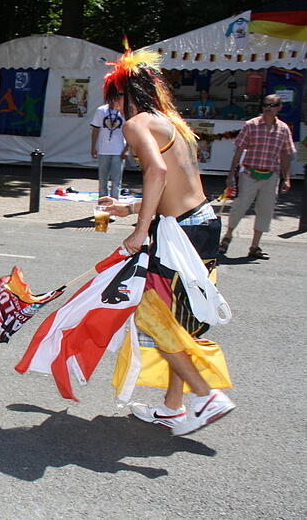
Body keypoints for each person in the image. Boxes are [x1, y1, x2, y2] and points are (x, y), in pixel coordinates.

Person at [98, 47, 234, 436]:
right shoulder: (172, 123)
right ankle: (173, 409)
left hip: (181, 234)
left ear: (123, 95)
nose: (115, 110)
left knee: (151, 317)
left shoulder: (137, 123)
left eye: (114, 102)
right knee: (180, 322)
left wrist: (140, 230)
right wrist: (129, 208)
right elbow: (177, 185)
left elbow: (156, 172)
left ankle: (206, 395)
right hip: (204, 224)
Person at [218, 93, 295, 260]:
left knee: (265, 210)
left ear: (279, 107)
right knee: (240, 206)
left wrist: (286, 178)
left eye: (272, 105)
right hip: (249, 173)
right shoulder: (251, 125)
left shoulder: (283, 129)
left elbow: (286, 155)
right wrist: (231, 174)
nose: (268, 108)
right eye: (265, 105)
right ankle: (228, 236)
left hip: (271, 175)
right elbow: (239, 149)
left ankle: (255, 246)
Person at [90, 102, 128, 199]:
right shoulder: (101, 110)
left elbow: (129, 131)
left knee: (116, 180)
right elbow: (95, 130)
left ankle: (115, 203)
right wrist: (93, 147)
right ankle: (103, 202)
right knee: (103, 179)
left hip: (119, 150)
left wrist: (127, 148)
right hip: (103, 150)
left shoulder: (125, 111)